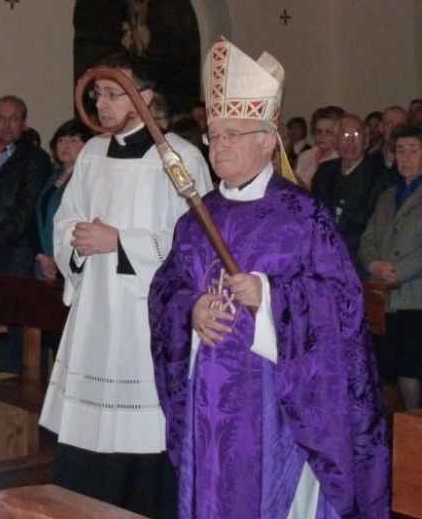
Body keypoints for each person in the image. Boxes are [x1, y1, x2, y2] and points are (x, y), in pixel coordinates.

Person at [148, 36, 390, 519]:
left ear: (267, 139)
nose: (220, 146)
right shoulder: (196, 218)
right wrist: (190, 307)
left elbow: (341, 305)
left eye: (234, 134)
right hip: (206, 401)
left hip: (277, 402)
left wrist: (271, 297)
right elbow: (165, 288)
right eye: (214, 135)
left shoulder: (302, 215)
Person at [39, 51, 212, 518]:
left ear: (146, 97)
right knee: (89, 441)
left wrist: (119, 241)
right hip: (96, 309)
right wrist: (76, 243)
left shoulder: (180, 157)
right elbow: (66, 219)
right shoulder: (93, 153)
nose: (102, 104)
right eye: (98, 94)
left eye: (114, 94)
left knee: (144, 438)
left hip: (145, 318)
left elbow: (193, 243)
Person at [359, 123, 422, 411]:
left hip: (414, 295)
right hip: (385, 299)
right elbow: (368, 238)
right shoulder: (387, 195)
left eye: (413, 150)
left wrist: (394, 270)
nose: (405, 157)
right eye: (400, 151)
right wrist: (374, 263)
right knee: (390, 370)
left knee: (412, 369)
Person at [0, 95, 52, 275]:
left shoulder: (35, 158)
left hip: (15, 258)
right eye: (0, 118)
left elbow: (25, 211)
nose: (6, 124)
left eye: (13, 118)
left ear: (24, 123)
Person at [311, 114, 397, 277]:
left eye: (356, 135)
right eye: (344, 134)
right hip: (324, 258)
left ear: (366, 141)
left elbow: (378, 230)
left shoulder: (382, 176)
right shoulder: (325, 171)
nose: (350, 141)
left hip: (360, 261)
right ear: (335, 141)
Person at [35, 118, 93, 279]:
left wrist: (61, 254)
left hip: (72, 259)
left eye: (74, 140)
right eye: (61, 140)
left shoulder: (88, 179)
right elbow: (37, 218)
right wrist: (41, 255)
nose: (66, 145)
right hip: (45, 260)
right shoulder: (51, 177)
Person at [295, 105, 343, 189]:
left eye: (328, 132)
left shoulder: (341, 160)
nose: (322, 136)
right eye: (319, 131)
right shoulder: (305, 156)